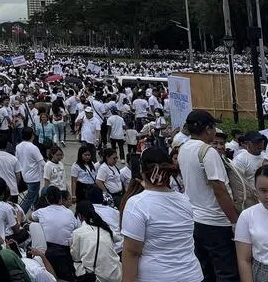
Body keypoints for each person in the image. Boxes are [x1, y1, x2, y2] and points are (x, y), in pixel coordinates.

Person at [120, 149, 202, 282]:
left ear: (142, 169)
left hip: (156, 276)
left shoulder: (137, 204)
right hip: (191, 274)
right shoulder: (185, 200)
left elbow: (131, 252)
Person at [178, 110, 238, 282]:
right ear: (208, 129)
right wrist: (234, 221)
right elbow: (219, 190)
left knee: (206, 270)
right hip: (216, 222)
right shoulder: (208, 152)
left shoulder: (183, 149)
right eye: (214, 127)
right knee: (226, 272)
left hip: (196, 220)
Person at [71, 201, 121, 282]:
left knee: (77, 263)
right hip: (115, 274)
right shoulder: (105, 228)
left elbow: (75, 257)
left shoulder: (77, 233)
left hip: (96, 277)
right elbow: (119, 239)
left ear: (79, 215)